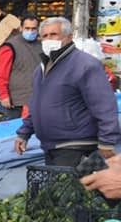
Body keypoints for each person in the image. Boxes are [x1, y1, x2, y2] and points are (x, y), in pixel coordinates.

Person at [14, 17, 120, 167]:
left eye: (54, 34)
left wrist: (107, 141)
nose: (48, 39)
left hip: (76, 145)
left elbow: (104, 106)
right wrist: (24, 133)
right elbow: (37, 105)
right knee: (58, 189)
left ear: (69, 37)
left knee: (68, 188)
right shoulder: (41, 70)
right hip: (50, 146)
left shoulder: (85, 65)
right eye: (44, 36)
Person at [0, 14, 41, 120]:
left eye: (33, 28)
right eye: (27, 28)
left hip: (37, 98)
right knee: (15, 130)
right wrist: (3, 95)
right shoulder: (10, 47)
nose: (30, 31)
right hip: (16, 100)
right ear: (21, 28)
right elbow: (1, 74)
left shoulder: (41, 46)